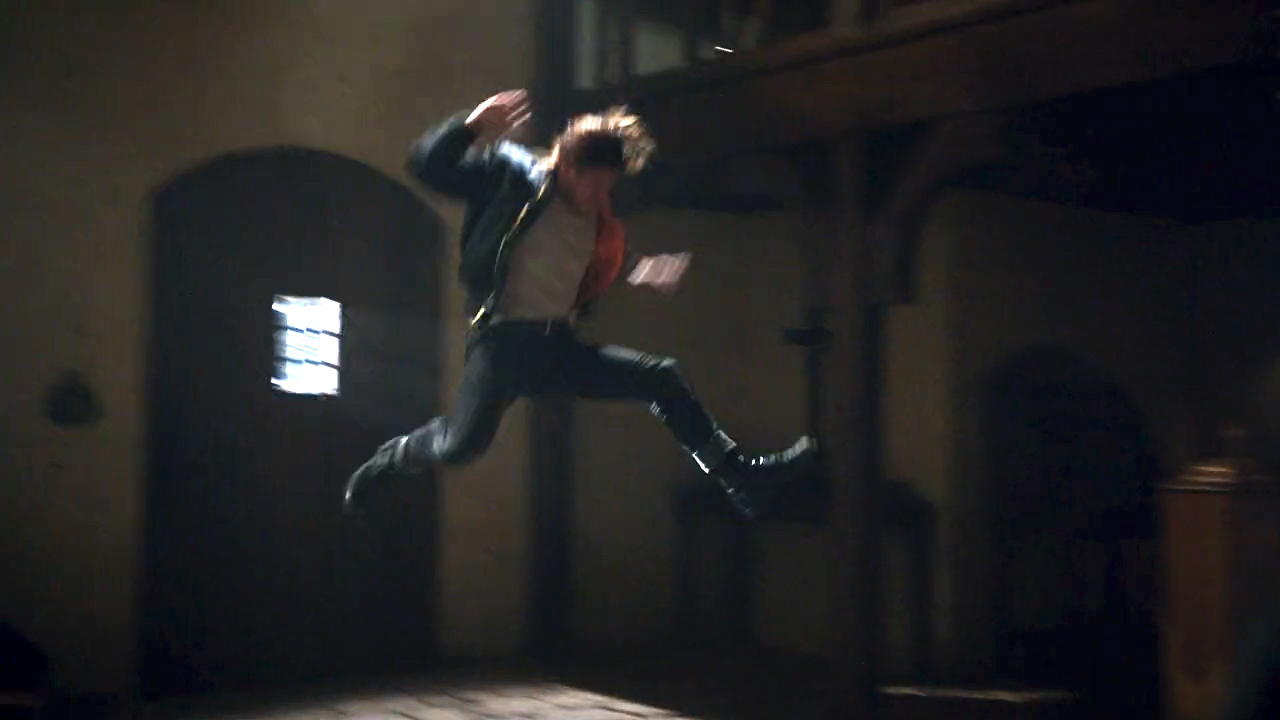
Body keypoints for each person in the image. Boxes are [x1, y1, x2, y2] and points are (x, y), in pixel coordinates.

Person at [343, 89, 819, 520]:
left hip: (556, 346)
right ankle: (393, 457)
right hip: (503, 346)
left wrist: (640, 268)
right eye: (596, 184)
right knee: (459, 447)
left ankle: (740, 478)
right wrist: (469, 128)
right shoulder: (510, 177)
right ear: (567, 167)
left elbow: (590, 255)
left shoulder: (598, 217)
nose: (601, 196)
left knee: (662, 377)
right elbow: (428, 167)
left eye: (609, 187)